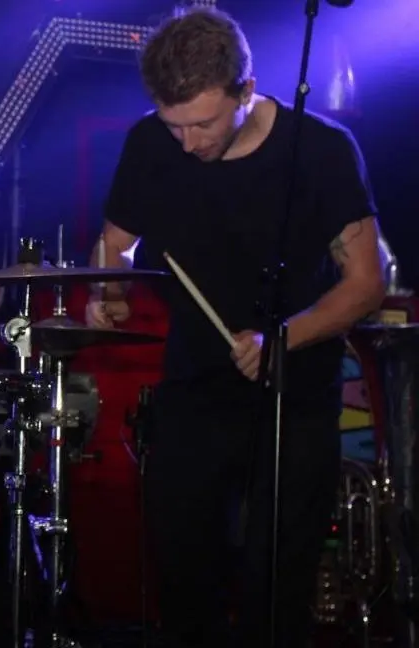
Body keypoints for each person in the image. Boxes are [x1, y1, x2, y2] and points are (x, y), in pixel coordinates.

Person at [85, 7, 385, 648]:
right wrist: (107, 292)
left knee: (275, 596)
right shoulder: (150, 144)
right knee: (184, 588)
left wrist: (283, 339)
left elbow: (365, 283)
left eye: (203, 124)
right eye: (174, 125)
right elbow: (116, 243)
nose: (188, 143)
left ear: (246, 91)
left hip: (293, 398)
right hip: (193, 391)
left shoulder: (321, 150)